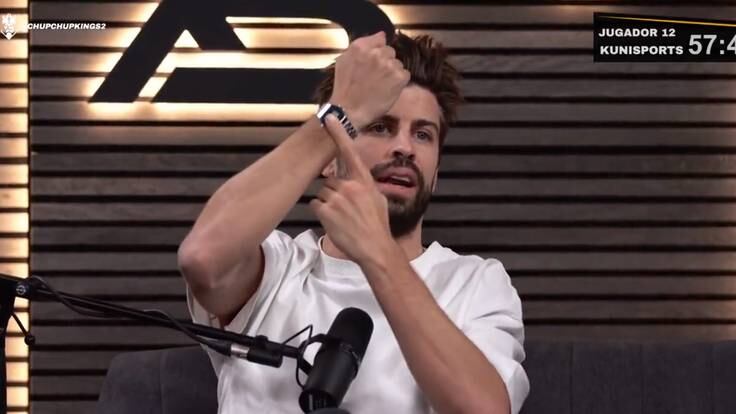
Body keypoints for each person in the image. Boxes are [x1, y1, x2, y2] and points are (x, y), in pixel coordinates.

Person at [178, 31, 529, 414]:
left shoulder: (475, 283)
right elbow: (202, 258)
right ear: (329, 158)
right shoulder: (278, 268)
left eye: (423, 134)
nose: (404, 148)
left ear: (436, 173)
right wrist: (340, 111)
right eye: (380, 127)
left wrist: (378, 252)